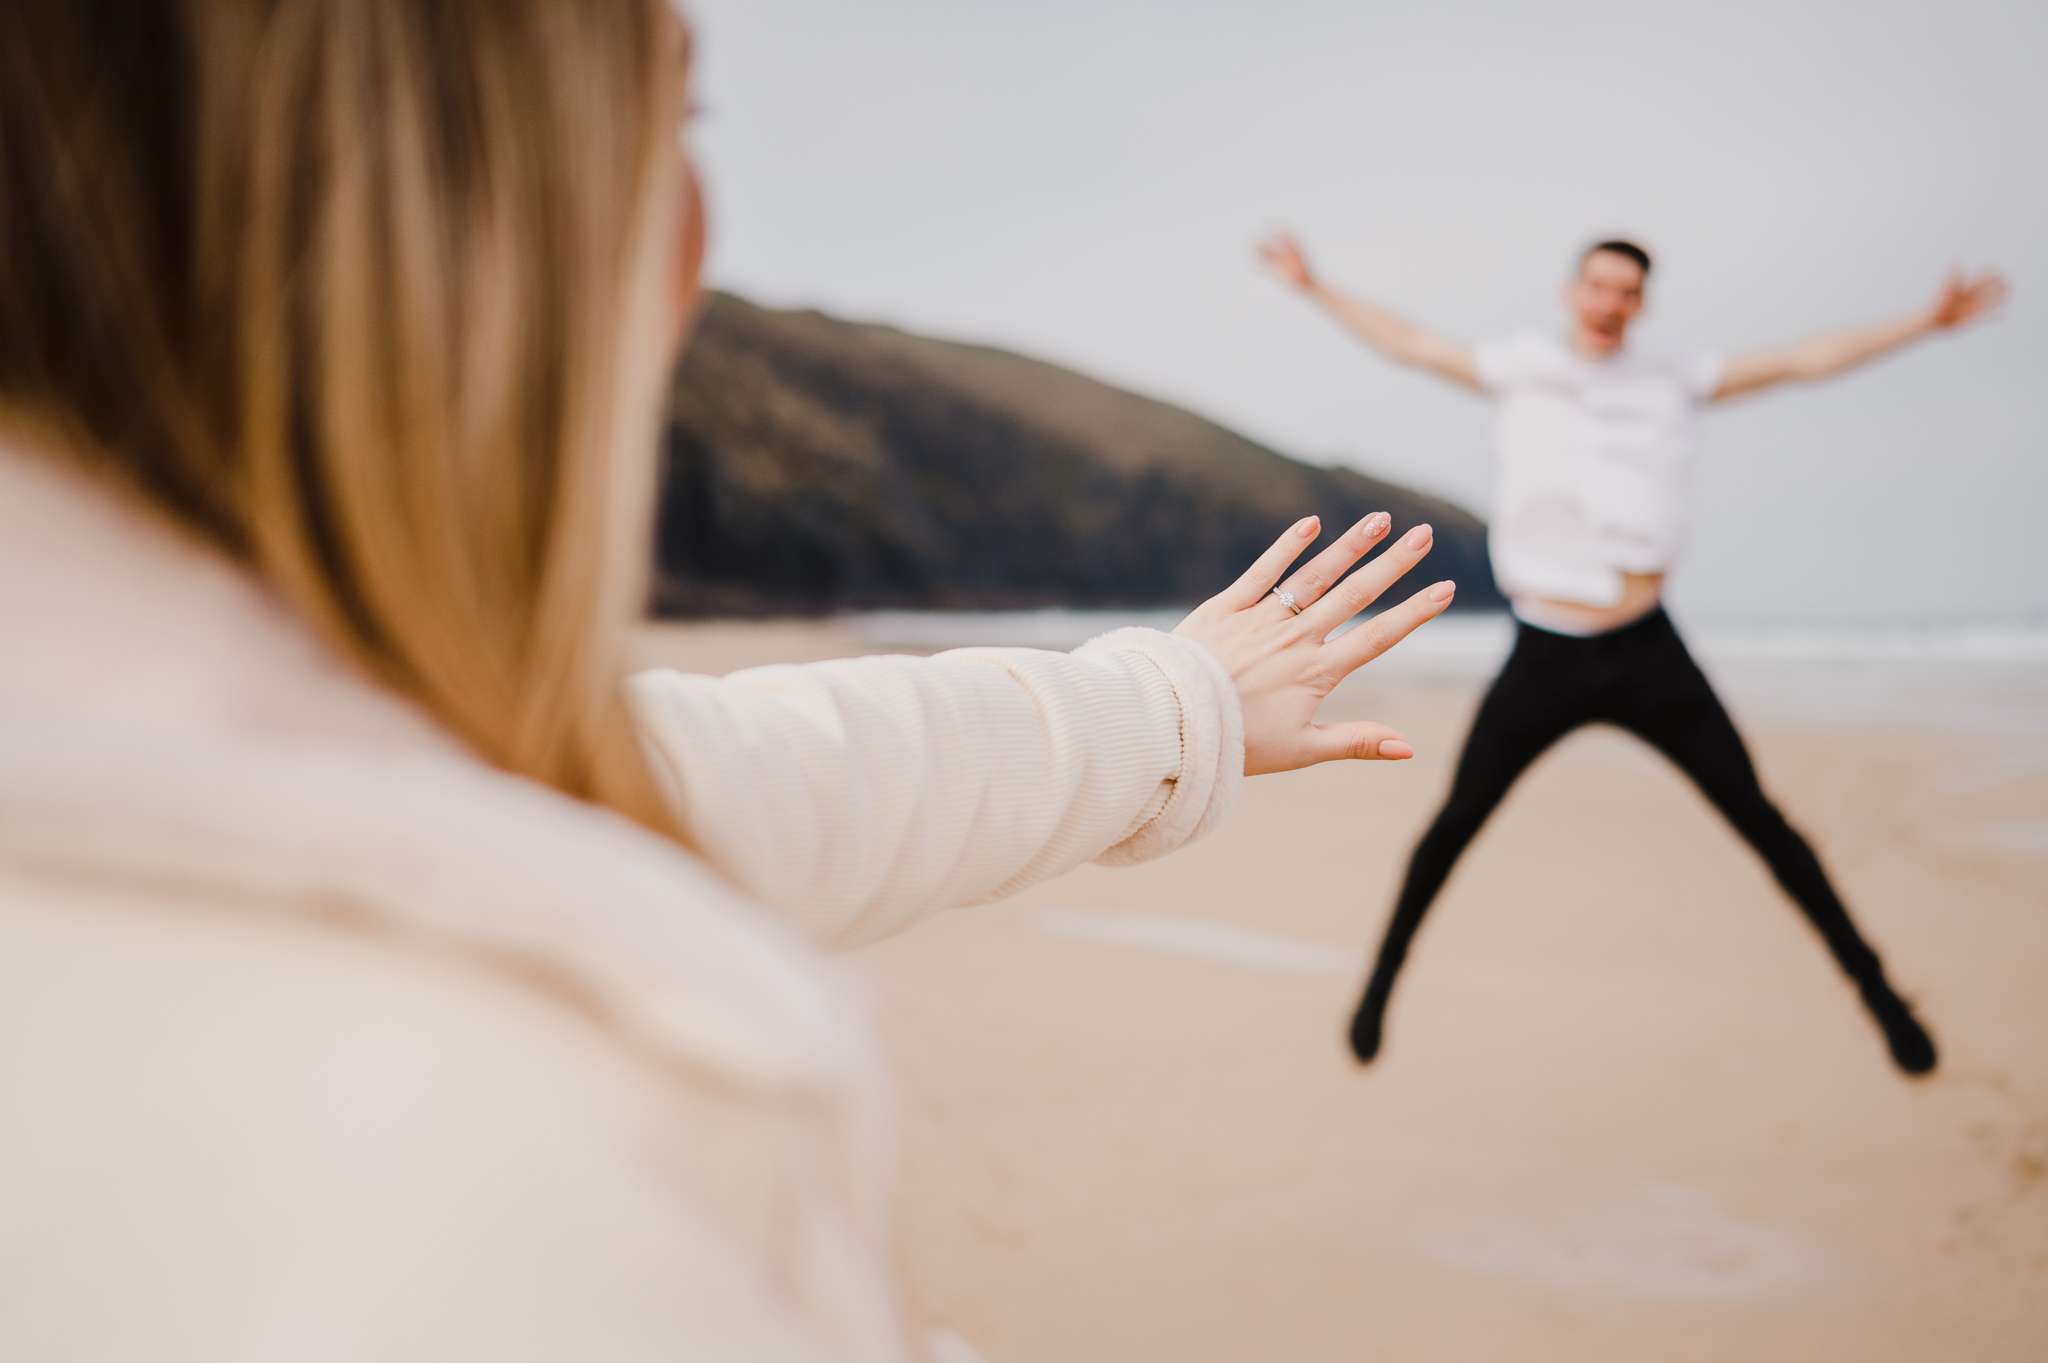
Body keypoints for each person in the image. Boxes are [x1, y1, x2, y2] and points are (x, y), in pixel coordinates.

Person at [0, 5, 1460, 1359]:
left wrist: (1168, 705)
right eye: (665, 124)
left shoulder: (185, 785)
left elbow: (756, 773)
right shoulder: (492, 1169)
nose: (698, 234)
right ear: (455, 231)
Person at [1256, 229, 2008, 1078]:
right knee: (1454, 825)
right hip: (1545, 651)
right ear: (1573, 292)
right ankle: (1380, 985)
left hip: (1650, 651)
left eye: (1628, 292)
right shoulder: (1522, 370)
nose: (1611, 302)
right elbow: (1410, 343)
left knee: (1762, 821)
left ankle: (1879, 994)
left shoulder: (1672, 381)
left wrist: (1925, 322)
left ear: (1641, 305)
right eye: (1599, 286)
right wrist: (1315, 286)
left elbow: (1805, 359)